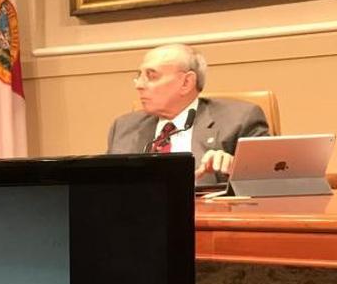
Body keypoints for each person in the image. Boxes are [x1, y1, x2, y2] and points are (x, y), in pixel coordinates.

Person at [106, 44, 270, 184]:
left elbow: (269, 178)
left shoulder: (239, 119)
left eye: (151, 76)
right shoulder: (124, 127)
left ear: (186, 82)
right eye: (138, 76)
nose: (139, 85)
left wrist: (235, 167)